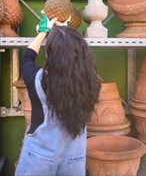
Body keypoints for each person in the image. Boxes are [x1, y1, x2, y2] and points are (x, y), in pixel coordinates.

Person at [15, 10, 101, 176]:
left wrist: (43, 32)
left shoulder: (37, 80)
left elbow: (27, 59)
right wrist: (66, 35)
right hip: (74, 162)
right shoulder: (91, 84)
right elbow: (71, 54)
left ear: (48, 54)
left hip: (38, 162)